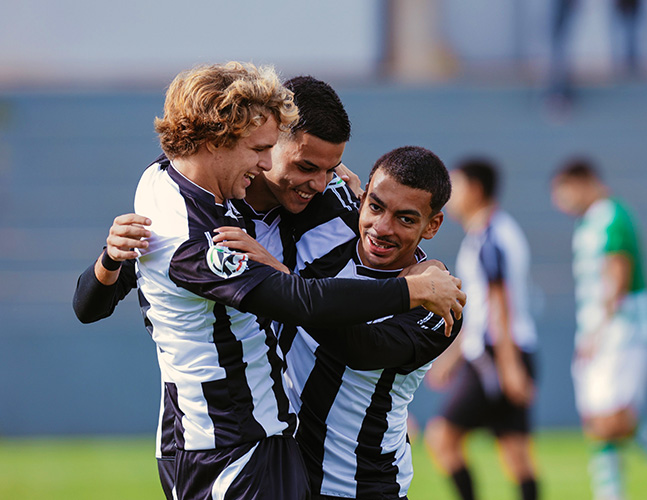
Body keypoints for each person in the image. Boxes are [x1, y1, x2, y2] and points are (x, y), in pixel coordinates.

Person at [73, 62, 464, 500]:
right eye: (305, 166)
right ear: (267, 144)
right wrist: (110, 257)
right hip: (220, 437)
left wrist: (428, 272)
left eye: (331, 170)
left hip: (324, 461)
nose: (317, 184)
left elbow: (385, 240)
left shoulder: (334, 208)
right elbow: (90, 306)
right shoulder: (206, 216)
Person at [223, 145, 460, 499]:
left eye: (406, 219)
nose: (382, 228)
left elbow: (360, 348)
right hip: (279, 478)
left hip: (361, 486)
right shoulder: (326, 225)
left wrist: (282, 281)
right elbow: (284, 163)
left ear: (433, 225)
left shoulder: (437, 302)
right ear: (362, 195)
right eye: (376, 207)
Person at [550, 157, 647, 500]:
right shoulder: (587, 224)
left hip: (624, 329)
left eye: (563, 192)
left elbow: (616, 280)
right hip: (595, 329)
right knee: (598, 420)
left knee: (612, 418)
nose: (560, 203)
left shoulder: (612, 217)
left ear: (581, 182)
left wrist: (596, 331)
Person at [425, 158, 540, 500]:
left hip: (496, 354)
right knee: (516, 452)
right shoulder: (492, 232)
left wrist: (508, 365)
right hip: (505, 350)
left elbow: (499, 302)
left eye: (455, 186)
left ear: (474, 188)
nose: (450, 195)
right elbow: (484, 309)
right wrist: (451, 359)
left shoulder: (490, 236)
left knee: (441, 437)